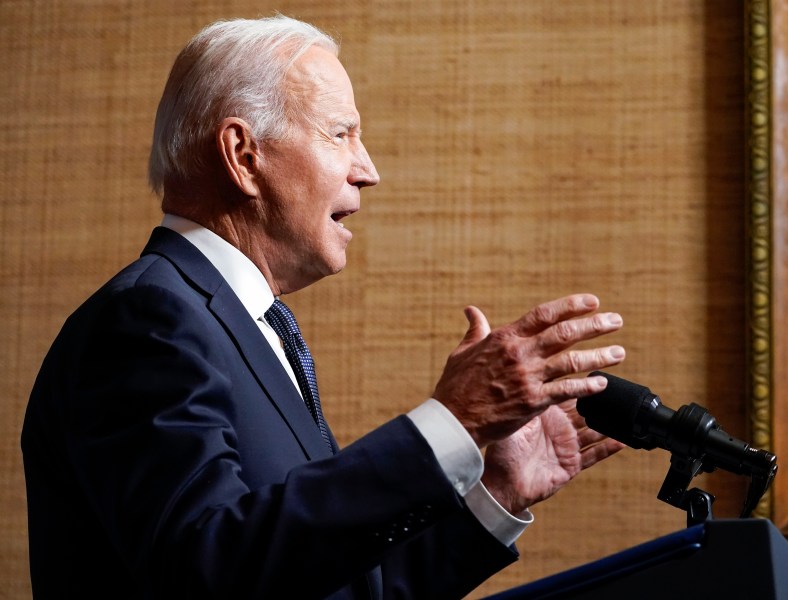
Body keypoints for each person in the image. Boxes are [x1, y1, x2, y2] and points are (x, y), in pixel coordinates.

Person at [21, 15, 627, 599]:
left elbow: (326, 583)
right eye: (341, 134)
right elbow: (206, 568)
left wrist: (495, 492)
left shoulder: (248, 325)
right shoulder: (149, 320)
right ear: (243, 155)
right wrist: (454, 420)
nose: (369, 171)